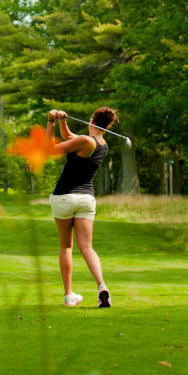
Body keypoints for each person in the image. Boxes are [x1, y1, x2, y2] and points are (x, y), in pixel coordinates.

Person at [47, 107, 116, 308]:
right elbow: (68, 136)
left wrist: (50, 121)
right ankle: (102, 287)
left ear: (93, 120)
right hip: (86, 199)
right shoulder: (101, 144)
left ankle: (69, 295)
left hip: (64, 197)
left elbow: (50, 150)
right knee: (86, 247)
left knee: (66, 246)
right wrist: (63, 120)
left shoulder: (85, 141)